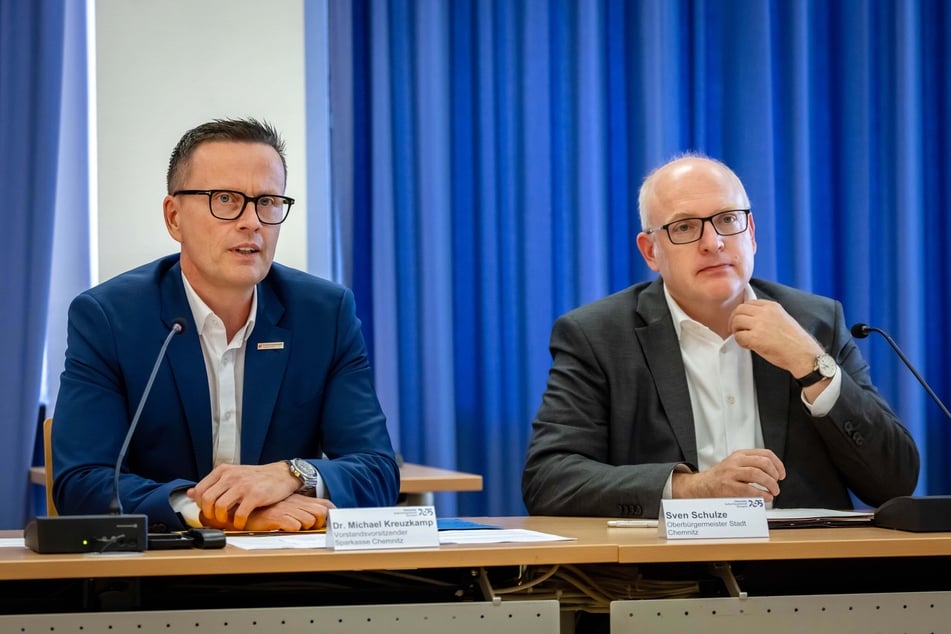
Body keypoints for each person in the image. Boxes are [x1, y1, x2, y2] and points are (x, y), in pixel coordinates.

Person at [522, 154, 919, 519]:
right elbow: (549, 479)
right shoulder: (598, 335)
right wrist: (692, 488)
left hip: (807, 575)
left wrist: (812, 366)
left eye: (728, 220)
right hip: (667, 579)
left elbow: (894, 481)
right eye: (684, 227)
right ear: (650, 252)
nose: (713, 242)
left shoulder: (814, 323)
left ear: (752, 233)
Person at [53, 118, 399, 532]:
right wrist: (218, 512)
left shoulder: (324, 314)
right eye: (226, 199)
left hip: (289, 572)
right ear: (174, 216)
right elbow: (82, 482)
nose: (252, 221)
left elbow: (378, 471)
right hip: (159, 575)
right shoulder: (109, 318)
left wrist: (292, 473)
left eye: (268, 201)